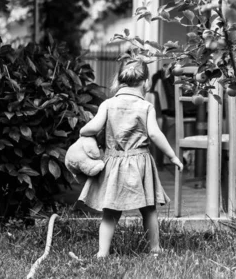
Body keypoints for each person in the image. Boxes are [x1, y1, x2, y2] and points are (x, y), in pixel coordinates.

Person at [78, 59, 183, 258]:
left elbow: (93, 127)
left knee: (110, 212)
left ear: (119, 80)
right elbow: (154, 134)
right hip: (140, 162)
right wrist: (173, 155)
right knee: (149, 209)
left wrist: (82, 131)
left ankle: (102, 252)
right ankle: (155, 249)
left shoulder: (108, 104)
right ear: (146, 83)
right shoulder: (146, 106)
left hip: (114, 162)